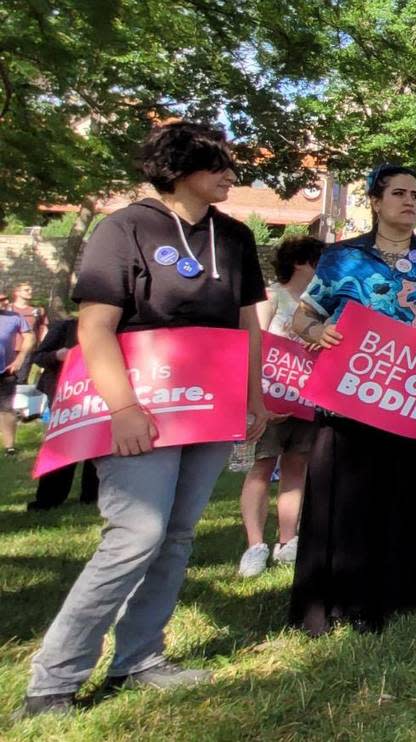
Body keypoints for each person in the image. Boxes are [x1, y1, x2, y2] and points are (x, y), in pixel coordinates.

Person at [23, 122, 271, 717]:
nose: (231, 174)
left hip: (211, 404)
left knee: (179, 534)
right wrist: (124, 409)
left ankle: (140, 658)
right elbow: (96, 328)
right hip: (143, 404)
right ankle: (54, 679)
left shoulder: (233, 237)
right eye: (218, 165)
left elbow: (249, 326)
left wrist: (254, 396)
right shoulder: (124, 228)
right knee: (136, 534)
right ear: (180, 169)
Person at [288, 164, 416, 635]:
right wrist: (319, 332)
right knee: (358, 491)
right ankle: (352, 594)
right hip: (357, 393)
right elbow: (301, 319)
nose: (410, 201)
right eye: (398, 193)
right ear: (375, 202)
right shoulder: (341, 258)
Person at [237, 236, 324, 577]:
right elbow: (254, 342)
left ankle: (288, 539)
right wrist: (255, 400)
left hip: (305, 398)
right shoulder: (270, 297)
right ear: (301, 262)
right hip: (269, 397)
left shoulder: (317, 307)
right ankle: (255, 544)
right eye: (318, 259)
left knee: (296, 465)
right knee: (261, 465)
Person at [26, 315, 100, 510]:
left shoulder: (111, 327)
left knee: (97, 445)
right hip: (64, 395)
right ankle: (49, 499)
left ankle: (92, 495)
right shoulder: (65, 326)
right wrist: (59, 355)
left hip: (98, 393)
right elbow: (39, 357)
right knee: (64, 444)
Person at [0, 303, 32, 456]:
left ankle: (9, 447)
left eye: (4, 299)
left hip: (6, 370)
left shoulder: (14, 317)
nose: (3, 302)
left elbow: (29, 336)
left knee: (7, 409)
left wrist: (20, 358)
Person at [10, 281, 47, 383]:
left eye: (31, 290)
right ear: (17, 292)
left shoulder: (36, 311)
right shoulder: (8, 309)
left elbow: (43, 330)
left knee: (20, 380)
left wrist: (43, 349)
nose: (30, 292)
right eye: (26, 290)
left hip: (27, 350)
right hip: (8, 349)